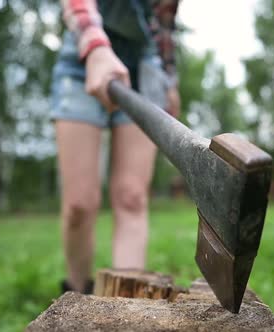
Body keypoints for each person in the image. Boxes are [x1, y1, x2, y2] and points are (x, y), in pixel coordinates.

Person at [51, 0, 180, 294]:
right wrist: (95, 46)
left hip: (145, 69)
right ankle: (76, 296)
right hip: (83, 56)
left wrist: (170, 79)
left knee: (132, 197)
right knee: (79, 205)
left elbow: (164, 23)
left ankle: (125, 308)